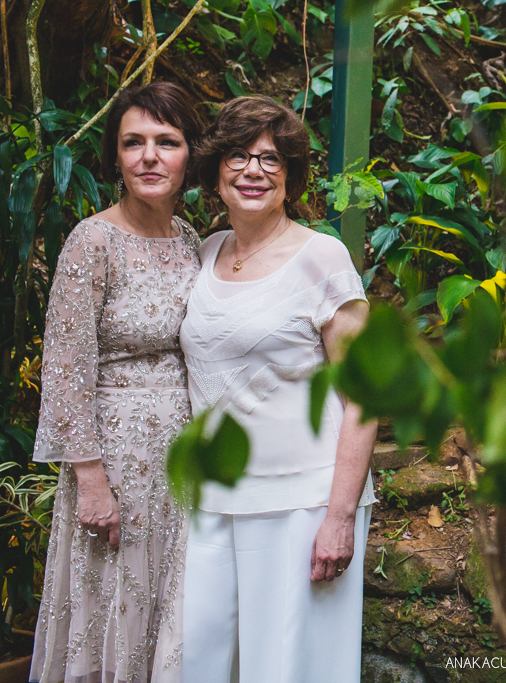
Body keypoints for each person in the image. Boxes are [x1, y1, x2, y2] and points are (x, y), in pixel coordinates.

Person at [179, 96, 377, 683]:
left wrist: (339, 516)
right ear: (216, 172)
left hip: (303, 504)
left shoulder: (323, 258)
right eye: (238, 156)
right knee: (203, 661)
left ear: (290, 177)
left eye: (270, 158)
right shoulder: (208, 251)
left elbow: (364, 400)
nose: (253, 170)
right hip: (211, 500)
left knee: (289, 669)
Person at [30, 82, 204, 683]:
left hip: (182, 457)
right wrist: (90, 479)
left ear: (190, 155)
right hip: (113, 459)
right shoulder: (92, 241)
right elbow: (64, 368)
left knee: (171, 605)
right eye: (134, 142)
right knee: (113, 601)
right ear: (116, 157)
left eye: (167, 141)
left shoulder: (189, 242)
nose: (149, 156)